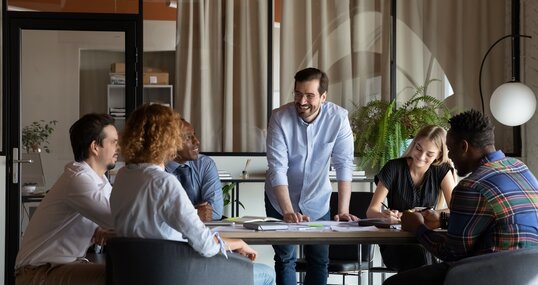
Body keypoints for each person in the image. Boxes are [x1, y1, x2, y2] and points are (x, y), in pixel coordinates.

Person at [110, 104, 275, 285]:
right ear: (168, 139)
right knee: (266, 274)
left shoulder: (123, 177)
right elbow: (205, 245)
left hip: (134, 274)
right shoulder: (163, 182)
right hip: (176, 272)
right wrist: (237, 243)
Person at [384, 109, 538, 285]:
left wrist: (417, 227)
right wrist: (444, 219)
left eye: (449, 149)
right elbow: (496, 218)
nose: (448, 156)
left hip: (485, 274)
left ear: (464, 147)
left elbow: (451, 253)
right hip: (526, 275)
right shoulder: (521, 169)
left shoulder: (471, 186)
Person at [265, 67, 357, 285]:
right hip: (280, 201)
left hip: (317, 200)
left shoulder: (339, 118)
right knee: (285, 258)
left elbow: (344, 165)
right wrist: (288, 211)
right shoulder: (279, 118)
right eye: (297, 94)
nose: (302, 100)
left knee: (318, 259)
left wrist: (343, 210)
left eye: (309, 95)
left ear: (323, 97)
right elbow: (277, 167)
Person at [15, 114, 119, 285]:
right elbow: (118, 218)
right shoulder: (78, 179)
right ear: (95, 147)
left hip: (59, 266)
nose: (119, 147)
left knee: (124, 272)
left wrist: (109, 229)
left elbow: (117, 217)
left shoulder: (100, 181)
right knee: (120, 275)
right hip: (37, 272)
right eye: (114, 142)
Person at [366, 125, 456, 272]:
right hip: (397, 240)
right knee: (422, 259)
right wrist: (384, 216)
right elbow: (371, 211)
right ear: (413, 144)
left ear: (439, 156)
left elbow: (456, 208)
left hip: (426, 238)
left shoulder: (442, 170)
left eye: (429, 154)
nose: (421, 157)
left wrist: (434, 214)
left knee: (425, 256)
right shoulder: (393, 167)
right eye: (418, 148)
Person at [165, 118, 223, 221]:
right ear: (171, 143)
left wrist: (182, 214)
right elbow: (159, 216)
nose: (197, 141)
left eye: (194, 135)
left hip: (202, 232)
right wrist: (196, 213)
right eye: (188, 137)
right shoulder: (156, 172)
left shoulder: (205, 164)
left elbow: (215, 212)